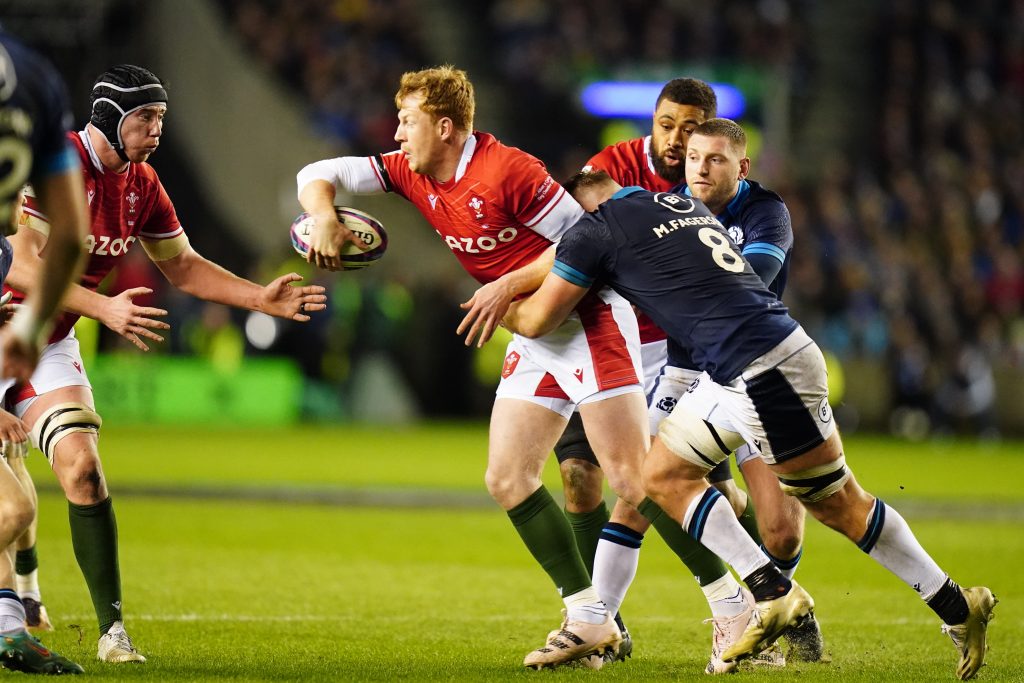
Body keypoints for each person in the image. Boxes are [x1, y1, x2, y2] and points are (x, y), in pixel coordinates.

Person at [503, 169, 997, 681]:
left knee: (839, 506)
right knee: (658, 477)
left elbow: (538, 319)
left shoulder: (597, 228)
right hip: (735, 368)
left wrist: (498, 300)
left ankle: (958, 606)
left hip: (764, 371)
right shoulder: (678, 207)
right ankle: (769, 592)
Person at [296, 65, 653, 669]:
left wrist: (506, 285)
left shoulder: (508, 170)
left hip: (588, 322)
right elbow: (318, 173)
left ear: (445, 126)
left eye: (407, 121)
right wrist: (325, 217)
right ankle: (590, 616)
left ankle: (745, 597)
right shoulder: (410, 169)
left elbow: (588, 242)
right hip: (534, 335)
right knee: (508, 477)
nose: (397, 132)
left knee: (638, 484)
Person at [4, 63, 327, 665]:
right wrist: (102, 306)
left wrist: (259, 297)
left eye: (161, 118)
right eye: (146, 117)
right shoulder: (58, 164)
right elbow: (21, 266)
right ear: (110, 115)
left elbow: (181, 266)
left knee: (84, 472)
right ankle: (20, 588)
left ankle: (110, 630)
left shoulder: (142, 184)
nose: (156, 129)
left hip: (46, 343)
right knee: (9, 502)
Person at [0, 28, 92, 674]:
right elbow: (71, 239)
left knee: (15, 499)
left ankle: (10, 626)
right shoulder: (35, 77)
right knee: (14, 506)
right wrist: (30, 328)